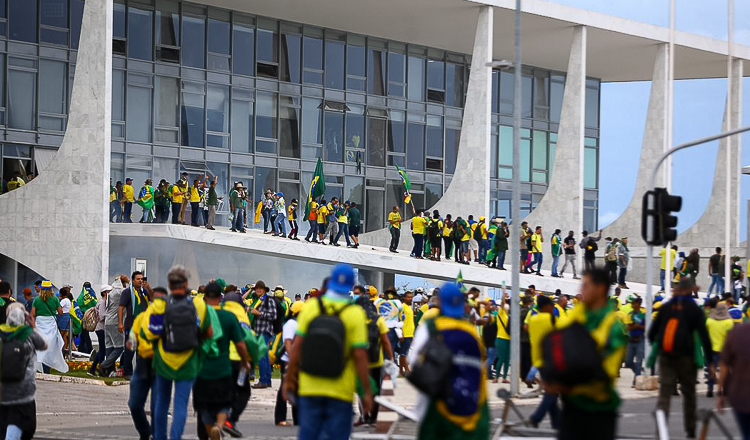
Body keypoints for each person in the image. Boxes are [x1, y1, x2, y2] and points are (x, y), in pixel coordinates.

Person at [283, 264, 373, 440]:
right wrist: (365, 392)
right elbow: (360, 356)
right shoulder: (355, 313)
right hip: (341, 390)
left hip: (310, 386)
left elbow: (297, 347)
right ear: (352, 286)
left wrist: (288, 379)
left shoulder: (311, 307)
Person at [549, 268, 627, 440]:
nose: (580, 290)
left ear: (600, 289)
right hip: (571, 405)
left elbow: (605, 371)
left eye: (585, 285)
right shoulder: (577, 316)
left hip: (598, 409)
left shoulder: (612, 327)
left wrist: (566, 381)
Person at [408, 282, 489, 440]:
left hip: (438, 410)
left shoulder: (431, 327)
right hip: (473, 412)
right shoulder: (470, 331)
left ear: (440, 302)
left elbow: (414, 360)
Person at [144, 266, 213, 440]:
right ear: (186, 284)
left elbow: (150, 332)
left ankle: (160, 437)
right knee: (181, 404)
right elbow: (209, 332)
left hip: (164, 360)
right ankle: (175, 437)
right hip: (188, 361)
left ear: (169, 284)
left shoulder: (160, 305)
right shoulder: (198, 305)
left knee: (162, 402)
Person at [649, 276, 712, 439]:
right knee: (689, 393)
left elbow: (652, 333)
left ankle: (660, 431)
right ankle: (690, 430)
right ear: (691, 289)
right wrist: (710, 361)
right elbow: (704, 336)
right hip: (687, 357)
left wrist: (658, 350)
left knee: (664, 394)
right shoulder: (694, 309)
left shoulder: (666, 307)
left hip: (666, 356)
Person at [194, 282, 252, 440]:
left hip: (202, 369)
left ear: (205, 298)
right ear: (220, 298)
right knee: (224, 403)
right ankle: (219, 427)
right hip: (223, 368)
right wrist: (245, 361)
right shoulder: (229, 317)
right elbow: (240, 344)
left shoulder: (200, 316)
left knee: (204, 406)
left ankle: (209, 430)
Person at [0, 304, 48, 440]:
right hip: (24, 391)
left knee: (3, 423)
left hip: (2, 390)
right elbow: (44, 344)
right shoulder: (28, 334)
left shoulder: (1, 332)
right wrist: (33, 327)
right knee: (21, 422)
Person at [127, 286, 166, 440]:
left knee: (157, 407)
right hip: (143, 364)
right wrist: (131, 342)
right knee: (135, 404)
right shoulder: (142, 318)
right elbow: (133, 337)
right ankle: (145, 432)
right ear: (151, 300)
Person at [527, 295, 559, 429]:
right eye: (551, 305)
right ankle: (536, 417)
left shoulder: (532, 319)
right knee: (551, 391)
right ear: (546, 307)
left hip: (538, 360)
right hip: (551, 360)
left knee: (552, 391)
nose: (552, 308)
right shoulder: (552, 319)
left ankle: (558, 423)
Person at [717, 322, 750, 439]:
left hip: (740, 394)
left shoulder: (736, 333)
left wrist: (721, 392)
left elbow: (724, 365)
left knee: (746, 433)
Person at [275, 300, 304, 426]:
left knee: (297, 388)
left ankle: (298, 418)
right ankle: (280, 418)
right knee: (285, 388)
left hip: (296, 360)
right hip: (288, 360)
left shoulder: (299, 324)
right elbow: (288, 343)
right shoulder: (291, 324)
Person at [31, 281, 68, 374]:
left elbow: (32, 314)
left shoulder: (37, 299)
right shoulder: (54, 299)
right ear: (51, 289)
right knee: (50, 347)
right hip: (51, 324)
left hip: (40, 323)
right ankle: (47, 369)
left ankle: (39, 367)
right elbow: (60, 312)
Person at [118, 271, 150, 380]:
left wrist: (149, 288)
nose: (140, 281)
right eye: (138, 279)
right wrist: (120, 323)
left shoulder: (144, 292)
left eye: (142, 279)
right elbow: (121, 307)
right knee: (130, 350)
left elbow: (154, 299)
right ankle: (127, 372)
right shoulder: (127, 292)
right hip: (131, 325)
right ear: (133, 280)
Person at [249, 281, 277, 389]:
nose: (258, 290)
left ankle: (263, 381)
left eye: (260, 288)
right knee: (264, 356)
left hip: (265, 331)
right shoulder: (258, 300)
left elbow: (273, 316)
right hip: (260, 331)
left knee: (261, 356)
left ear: (264, 289)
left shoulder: (269, 300)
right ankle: (267, 380)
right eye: (256, 289)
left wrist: (259, 313)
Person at [705, 302, 734, 398]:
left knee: (711, 369)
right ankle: (724, 389)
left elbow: (706, 332)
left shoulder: (709, 321)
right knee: (725, 370)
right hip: (724, 350)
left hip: (711, 349)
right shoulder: (729, 322)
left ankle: (710, 389)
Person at [99, 277, 125, 377]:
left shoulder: (109, 295)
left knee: (109, 347)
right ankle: (104, 365)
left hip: (107, 322)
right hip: (115, 322)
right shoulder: (119, 292)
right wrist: (127, 281)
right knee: (119, 347)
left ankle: (108, 372)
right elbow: (130, 291)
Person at [88, 285, 110, 376]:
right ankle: (101, 369)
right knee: (102, 350)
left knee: (102, 349)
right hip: (101, 328)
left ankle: (92, 369)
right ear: (105, 292)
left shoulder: (103, 302)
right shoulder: (102, 302)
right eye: (109, 291)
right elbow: (101, 316)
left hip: (101, 328)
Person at [623, 297, 645, 386]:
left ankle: (636, 379)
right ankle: (638, 372)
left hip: (640, 339)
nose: (632, 305)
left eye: (634, 303)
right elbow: (628, 327)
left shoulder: (644, 314)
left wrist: (638, 326)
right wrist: (635, 326)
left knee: (639, 361)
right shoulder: (630, 314)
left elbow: (647, 326)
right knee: (628, 361)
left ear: (638, 304)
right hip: (631, 339)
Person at [76, 282, 98, 354]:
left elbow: (78, 304)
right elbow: (96, 303)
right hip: (91, 317)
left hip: (83, 317)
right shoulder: (92, 294)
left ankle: (88, 349)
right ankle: (84, 349)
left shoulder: (81, 296)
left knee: (84, 333)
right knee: (84, 334)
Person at [399, 290, 415, 376]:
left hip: (410, 333)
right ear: (404, 298)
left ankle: (401, 370)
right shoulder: (403, 307)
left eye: (411, 297)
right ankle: (407, 370)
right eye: (408, 297)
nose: (410, 299)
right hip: (405, 333)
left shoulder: (409, 307)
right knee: (404, 353)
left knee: (404, 353)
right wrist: (400, 333)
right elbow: (400, 319)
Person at [57, 287, 74, 354]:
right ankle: (64, 348)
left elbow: (59, 308)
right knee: (64, 335)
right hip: (66, 316)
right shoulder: (68, 300)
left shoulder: (64, 300)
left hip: (63, 317)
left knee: (61, 334)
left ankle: (61, 349)